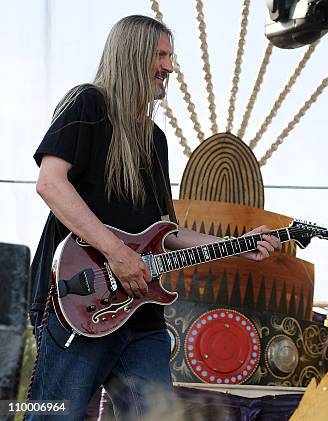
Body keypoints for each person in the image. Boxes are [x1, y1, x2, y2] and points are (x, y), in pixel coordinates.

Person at [28, 15, 280, 420]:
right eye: (160, 55)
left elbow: (168, 231)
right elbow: (50, 184)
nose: (169, 67)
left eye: (170, 56)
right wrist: (117, 254)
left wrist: (241, 247)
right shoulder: (87, 104)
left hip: (140, 311)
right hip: (78, 299)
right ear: (133, 56)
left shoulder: (154, 140)